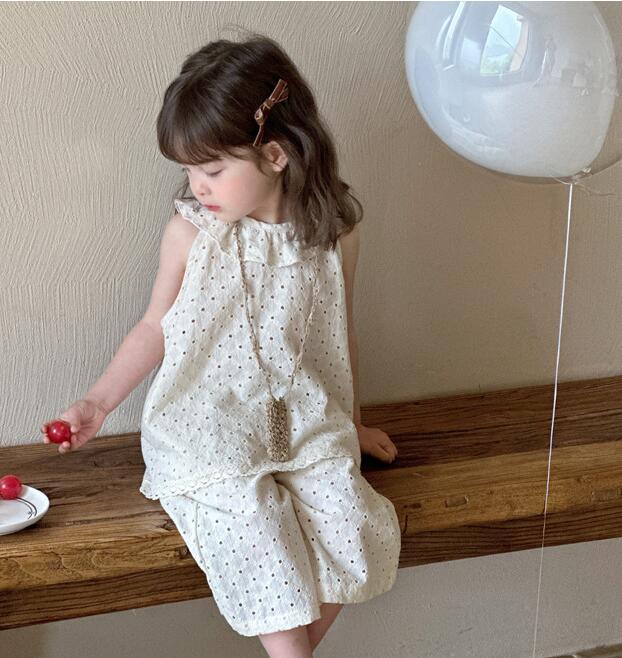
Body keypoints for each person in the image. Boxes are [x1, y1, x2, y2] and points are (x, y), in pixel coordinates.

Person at [40, 31, 401, 658]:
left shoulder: (334, 234)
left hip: (305, 419)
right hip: (207, 422)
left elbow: (337, 340)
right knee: (257, 527)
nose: (197, 186)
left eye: (211, 170)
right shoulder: (193, 234)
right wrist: (97, 403)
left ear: (276, 155)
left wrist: (352, 424)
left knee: (355, 524)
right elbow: (155, 326)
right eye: (188, 171)